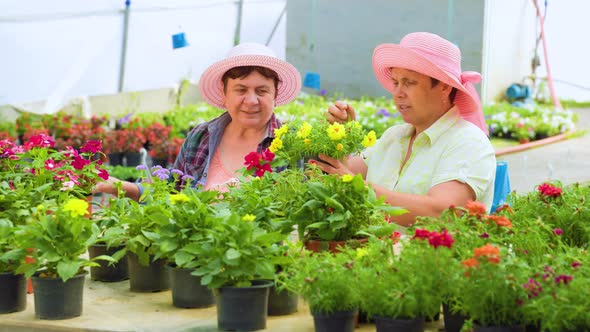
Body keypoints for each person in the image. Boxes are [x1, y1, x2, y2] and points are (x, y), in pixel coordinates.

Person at [318, 32, 496, 227]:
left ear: (444, 87)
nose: (397, 93)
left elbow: (441, 211)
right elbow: (342, 172)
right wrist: (341, 136)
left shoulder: (468, 141)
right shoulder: (394, 136)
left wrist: (357, 188)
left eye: (409, 83)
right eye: (395, 82)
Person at [95, 42, 302, 199]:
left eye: (262, 91)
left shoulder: (290, 146)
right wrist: (118, 186)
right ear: (224, 92)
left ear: (275, 94)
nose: (251, 100)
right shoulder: (201, 136)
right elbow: (171, 193)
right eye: (240, 90)